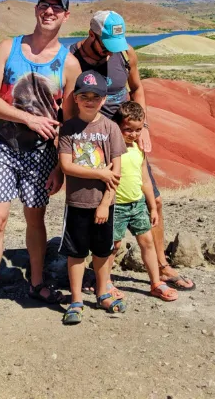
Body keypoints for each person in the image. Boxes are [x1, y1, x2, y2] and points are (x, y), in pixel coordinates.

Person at [0, 0, 81, 340]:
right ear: (36, 9)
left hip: (41, 154)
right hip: (1, 145)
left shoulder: (69, 64)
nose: (49, 11)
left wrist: (60, 167)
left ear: (66, 16)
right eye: (44, 5)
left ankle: (36, 283)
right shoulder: (9, 47)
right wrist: (26, 118)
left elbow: (69, 122)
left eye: (56, 8)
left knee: (35, 219)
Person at [67, 10, 195, 291]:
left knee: (153, 199)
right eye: (106, 45)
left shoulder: (125, 54)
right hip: (94, 141)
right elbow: (66, 104)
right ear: (92, 35)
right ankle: (98, 275)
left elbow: (137, 88)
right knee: (97, 208)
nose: (111, 52)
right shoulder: (71, 59)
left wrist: (144, 125)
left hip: (127, 137)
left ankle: (160, 265)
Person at [58, 70, 127, 325]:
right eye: (84, 95)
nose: (90, 100)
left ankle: (103, 293)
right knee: (76, 253)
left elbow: (116, 173)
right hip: (76, 202)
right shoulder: (69, 128)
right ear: (75, 98)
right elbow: (66, 165)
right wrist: (98, 172)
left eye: (95, 96)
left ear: (104, 99)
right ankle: (76, 299)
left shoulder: (111, 129)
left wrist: (105, 204)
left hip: (103, 206)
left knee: (102, 252)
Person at [109, 101, 179, 302]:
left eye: (138, 130)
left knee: (147, 242)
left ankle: (156, 283)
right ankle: (105, 282)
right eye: (127, 129)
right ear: (117, 127)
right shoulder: (112, 149)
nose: (133, 134)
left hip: (137, 204)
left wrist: (152, 207)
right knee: (113, 246)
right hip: (118, 206)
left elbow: (145, 179)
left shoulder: (139, 149)